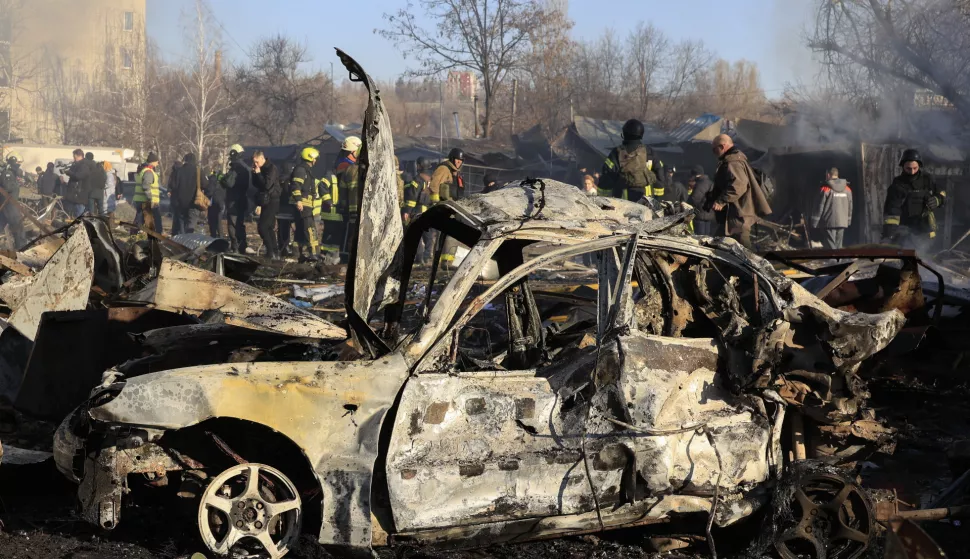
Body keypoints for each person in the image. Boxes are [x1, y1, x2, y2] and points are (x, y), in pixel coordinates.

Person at [709, 134, 772, 249]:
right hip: (732, 217)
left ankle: (756, 266)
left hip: (737, 216)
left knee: (744, 253)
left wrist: (721, 201)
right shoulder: (734, 160)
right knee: (716, 246)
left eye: (714, 149)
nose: (714, 153)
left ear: (722, 146)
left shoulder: (733, 162)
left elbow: (739, 185)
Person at [882, 148, 945, 251]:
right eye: (908, 168)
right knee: (906, 258)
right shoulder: (898, 185)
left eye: (915, 168)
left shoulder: (927, 179)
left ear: (919, 165)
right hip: (905, 230)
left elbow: (942, 193)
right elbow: (892, 211)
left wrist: (937, 200)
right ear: (903, 166)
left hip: (925, 230)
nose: (912, 172)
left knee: (924, 259)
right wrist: (888, 235)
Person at [600, 119, 658, 202]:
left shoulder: (617, 152)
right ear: (641, 133)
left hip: (623, 201)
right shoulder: (649, 152)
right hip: (646, 199)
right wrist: (658, 197)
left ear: (624, 133)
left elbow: (607, 174)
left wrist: (603, 197)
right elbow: (660, 174)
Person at [282, 147, 321, 261]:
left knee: (300, 230)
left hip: (306, 204)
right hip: (303, 204)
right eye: (315, 159)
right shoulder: (301, 170)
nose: (316, 161)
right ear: (311, 158)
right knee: (309, 228)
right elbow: (296, 185)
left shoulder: (305, 169)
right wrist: (299, 200)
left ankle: (297, 254)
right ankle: (314, 253)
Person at [328, 136, 361, 256]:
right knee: (348, 231)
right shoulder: (345, 165)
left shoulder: (346, 163)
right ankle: (345, 255)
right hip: (348, 204)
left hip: (348, 203)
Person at [811, 167, 853, 249]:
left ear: (828, 175)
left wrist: (814, 222)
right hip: (842, 222)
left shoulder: (825, 189)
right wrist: (848, 220)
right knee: (838, 246)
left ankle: (833, 261)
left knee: (830, 246)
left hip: (829, 222)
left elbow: (819, 206)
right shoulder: (847, 189)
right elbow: (850, 206)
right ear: (837, 175)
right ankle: (839, 261)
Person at [252, 150, 282, 260]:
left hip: (272, 200)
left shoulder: (271, 168)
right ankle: (274, 252)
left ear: (262, 158)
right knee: (268, 227)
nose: (255, 164)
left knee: (263, 227)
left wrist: (259, 173)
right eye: (254, 162)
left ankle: (271, 251)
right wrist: (255, 174)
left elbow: (267, 185)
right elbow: (256, 184)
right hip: (264, 200)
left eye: (257, 162)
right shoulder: (260, 168)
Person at [222, 144, 251, 253]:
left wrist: (221, 179)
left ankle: (235, 247)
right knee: (240, 223)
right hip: (243, 199)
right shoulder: (246, 167)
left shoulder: (236, 168)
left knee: (232, 225)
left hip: (233, 201)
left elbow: (229, 183)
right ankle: (242, 245)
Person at [171, 153, 204, 235]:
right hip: (194, 203)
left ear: (185, 160)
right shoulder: (198, 171)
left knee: (181, 224)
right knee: (191, 225)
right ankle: (188, 243)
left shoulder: (179, 171)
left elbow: (173, 186)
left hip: (180, 203)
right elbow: (207, 185)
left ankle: (182, 243)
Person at [0, 154, 26, 248]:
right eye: (18, 164)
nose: (19, 166)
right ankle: (22, 249)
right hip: (9, 206)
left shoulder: (10, 173)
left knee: (1, 224)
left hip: (7, 205)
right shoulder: (8, 173)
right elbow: (7, 187)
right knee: (18, 227)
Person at [133, 153, 161, 232]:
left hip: (141, 199)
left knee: (140, 219)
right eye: (157, 161)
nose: (157, 163)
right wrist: (150, 198)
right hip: (146, 200)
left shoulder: (143, 170)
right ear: (153, 162)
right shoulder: (148, 171)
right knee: (153, 220)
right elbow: (146, 186)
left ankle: (134, 234)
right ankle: (157, 236)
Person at [688, 166, 716, 236]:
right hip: (709, 213)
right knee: (707, 237)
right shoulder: (710, 182)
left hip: (700, 214)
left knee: (700, 237)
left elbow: (695, 199)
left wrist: (687, 203)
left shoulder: (701, 184)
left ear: (696, 175)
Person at [64, 148, 91, 218]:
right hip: (74, 195)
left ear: (79, 156)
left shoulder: (85, 166)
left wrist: (69, 173)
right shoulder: (76, 165)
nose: (74, 159)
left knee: (78, 216)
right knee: (71, 215)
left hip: (79, 196)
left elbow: (79, 176)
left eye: (74, 157)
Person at [205, 165, 225, 238]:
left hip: (214, 203)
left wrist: (206, 194)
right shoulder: (223, 177)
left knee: (212, 221)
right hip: (221, 202)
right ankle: (221, 237)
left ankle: (213, 238)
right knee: (219, 221)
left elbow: (210, 191)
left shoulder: (212, 178)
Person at [167, 159, 183, 235]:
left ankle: (174, 233)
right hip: (179, 198)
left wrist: (169, 191)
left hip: (173, 199)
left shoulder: (172, 174)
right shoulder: (181, 173)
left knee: (175, 217)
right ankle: (180, 234)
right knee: (180, 218)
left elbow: (170, 184)